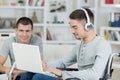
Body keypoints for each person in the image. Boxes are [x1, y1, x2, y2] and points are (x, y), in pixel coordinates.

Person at [32, 8, 112, 80]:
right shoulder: (79, 47)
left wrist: (62, 73)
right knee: (30, 73)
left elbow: (95, 75)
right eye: (71, 27)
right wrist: (43, 65)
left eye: (75, 27)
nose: (72, 31)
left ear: (88, 26)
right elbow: (63, 62)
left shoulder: (102, 46)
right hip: (74, 78)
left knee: (38, 77)